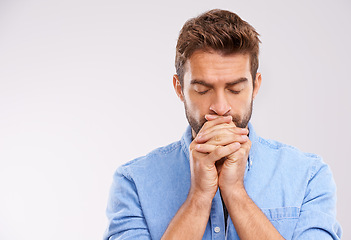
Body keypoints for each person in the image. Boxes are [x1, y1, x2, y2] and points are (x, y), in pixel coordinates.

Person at [103, 9, 342, 240]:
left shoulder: (309, 176)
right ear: (179, 89)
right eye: (203, 90)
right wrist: (198, 198)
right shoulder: (133, 182)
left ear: (255, 86)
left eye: (235, 89)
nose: (220, 106)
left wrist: (236, 193)